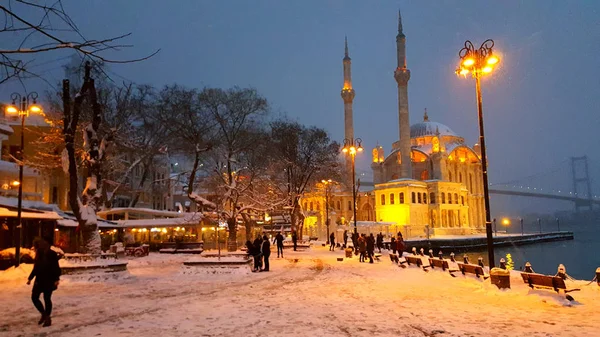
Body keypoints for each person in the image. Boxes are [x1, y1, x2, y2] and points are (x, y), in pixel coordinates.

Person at [27, 238, 61, 327]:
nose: (34, 248)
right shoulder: (39, 254)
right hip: (39, 279)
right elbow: (36, 267)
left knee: (46, 298)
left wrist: (57, 279)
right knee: (35, 297)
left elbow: (56, 267)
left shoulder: (51, 254)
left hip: (49, 279)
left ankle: (47, 317)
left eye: (35, 246)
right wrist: (30, 278)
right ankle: (44, 314)